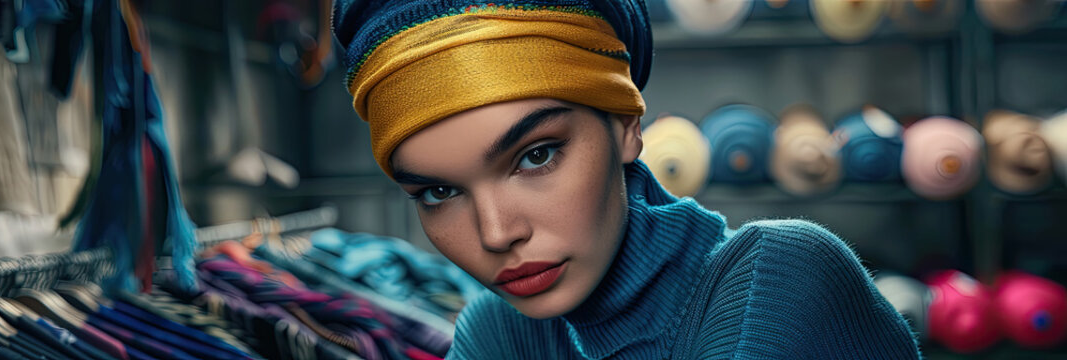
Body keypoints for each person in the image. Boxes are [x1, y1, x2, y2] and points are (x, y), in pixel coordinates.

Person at [331, 0, 922, 358]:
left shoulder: (780, 279)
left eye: (535, 156)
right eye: (439, 191)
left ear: (626, 126)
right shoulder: (499, 329)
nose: (496, 233)